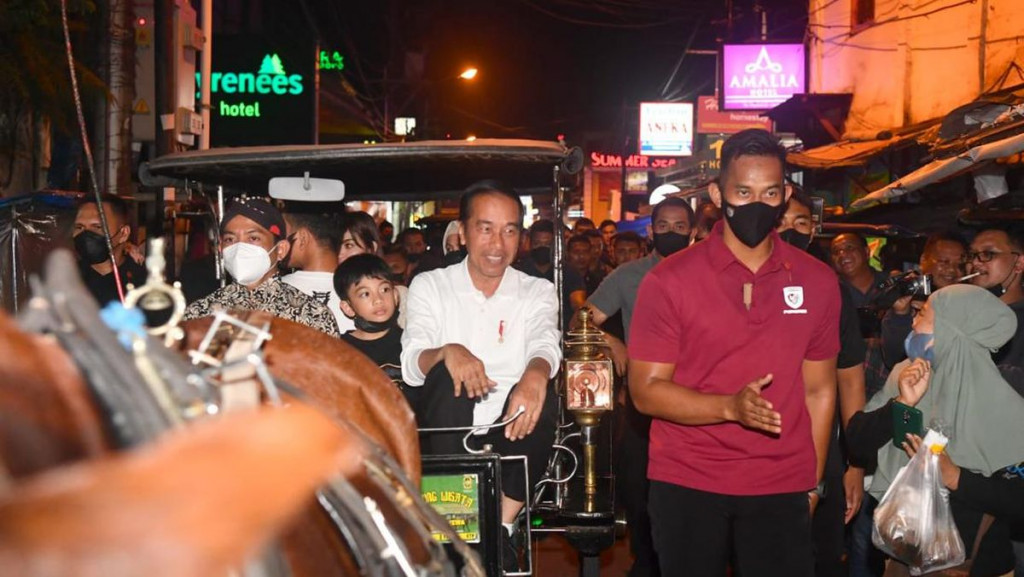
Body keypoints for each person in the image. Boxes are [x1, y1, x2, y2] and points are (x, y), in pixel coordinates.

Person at [629, 129, 839, 577]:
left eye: (770, 193)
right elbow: (645, 392)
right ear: (716, 193)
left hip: (782, 484)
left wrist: (813, 482)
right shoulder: (670, 281)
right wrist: (729, 407)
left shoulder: (817, 281)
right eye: (743, 192)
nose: (757, 205)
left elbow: (820, 390)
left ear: (786, 195)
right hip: (687, 479)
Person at [401, 180, 561, 572]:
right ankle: (456, 526)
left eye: (509, 230)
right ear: (463, 231)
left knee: (544, 388)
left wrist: (537, 373)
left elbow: (545, 340)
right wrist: (446, 352)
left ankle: (502, 528)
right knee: (448, 374)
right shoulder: (430, 284)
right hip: (445, 425)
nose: (497, 243)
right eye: (486, 228)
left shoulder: (536, 290)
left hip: (511, 425)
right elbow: (411, 362)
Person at [847, 284, 1024, 576]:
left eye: (924, 314)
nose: (914, 322)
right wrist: (902, 404)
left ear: (952, 329)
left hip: (978, 563)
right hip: (901, 555)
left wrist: (956, 477)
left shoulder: (1005, 397)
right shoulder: (905, 375)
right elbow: (857, 442)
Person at [579, 196, 695, 577]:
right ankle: (647, 563)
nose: (672, 233)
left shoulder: (710, 274)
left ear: (693, 231)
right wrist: (613, 343)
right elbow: (582, 321)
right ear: (650, 231)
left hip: (702, 402)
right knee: (641, 494)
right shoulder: (629, 276)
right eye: (664, 226)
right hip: (644, 404)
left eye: (680, 227)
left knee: (693, 499)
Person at [778, 191, 869, 577]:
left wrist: (856, 464)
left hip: (820, 445)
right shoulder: (736, 286)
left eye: (800, 223)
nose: (789, 231)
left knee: (822, 555)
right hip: (756, 446)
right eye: (780, 222)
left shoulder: (828, 288)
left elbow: (849, 378)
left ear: (813, 231)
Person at [182, 197, 340, 337]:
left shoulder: (311, 315)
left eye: (253, 238)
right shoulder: (201, 312)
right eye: (230, 239)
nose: (240, 247)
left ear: (280, 250)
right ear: (220, 249)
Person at [334, 253, 418, 410]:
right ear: (348, 307)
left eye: (384, 289)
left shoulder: (411, 343)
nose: (378, 299)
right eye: (365, 294)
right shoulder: (340, 351)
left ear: (395, 296)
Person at [880, 231, 968, 368]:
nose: (952, 270)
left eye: (960, 265)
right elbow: (895, 359)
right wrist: (901, 314)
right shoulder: (907, 302)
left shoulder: (971, 303)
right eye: (944, 262)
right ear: (923, 261)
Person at [280, 209, 351, 333]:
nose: (279, 243)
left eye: (283, 235)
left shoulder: (274, 290)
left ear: (302, 238)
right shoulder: (364, 290)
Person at [72, 194, 147, 306]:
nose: (86, 234)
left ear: (123, 233)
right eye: (79, 227)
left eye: (97, 227)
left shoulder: (144, 286)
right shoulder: (63, 280)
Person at [339, 211, 408, 327]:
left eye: (349, 245)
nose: (340, 254)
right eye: (336, 246)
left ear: (371, 248)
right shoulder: (327, 293)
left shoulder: (400, 295)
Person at [515, 219, 586, 329]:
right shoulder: (519, 271)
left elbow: (577, 300)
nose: (542, 248)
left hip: (561, 334)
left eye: (547, 244)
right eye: (537, 243)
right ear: (530, 243)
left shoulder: (567, 271)